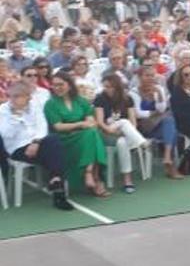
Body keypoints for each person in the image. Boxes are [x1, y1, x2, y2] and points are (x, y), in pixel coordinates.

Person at [0, 81, 73, 210]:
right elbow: (6, 134)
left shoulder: (34, 106)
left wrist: (35, 142)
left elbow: (42, 126)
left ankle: (56, 181)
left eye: (18, 96)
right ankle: (58, 187)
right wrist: (16, 117)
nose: (13, 99)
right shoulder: (3, 110)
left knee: (53, 140)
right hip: (17, 148)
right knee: (54, 150)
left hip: (37, 143)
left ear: (28, 96)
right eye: (12, 96)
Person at [44, 71, 109, 196]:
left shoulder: (79, 100)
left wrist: (89, 121)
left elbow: (90, 116)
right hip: (64, 139)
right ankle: (96, 177)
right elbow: (58, 127)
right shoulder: (50, 104)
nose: (57, 88)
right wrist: (80, 124)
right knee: (92, 135)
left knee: (92, 133)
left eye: (60, 84)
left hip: (83, 136)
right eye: (54, 85)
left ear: (69, 84)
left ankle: (89, 172)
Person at [93, 74, 149, 194]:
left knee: (122, 142)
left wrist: (124, 133)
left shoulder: (127, 99)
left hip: (125, 134)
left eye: (110, 87)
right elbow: (99, 122)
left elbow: (133, 123)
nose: (107, 89)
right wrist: (111, 131)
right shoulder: (100, 98)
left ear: (117, 87)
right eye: (105, 86)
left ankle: (127, 180)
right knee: (123, 121)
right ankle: (142, 143)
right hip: (107, 132)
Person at [130, 63, 183, 180]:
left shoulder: (158, 89)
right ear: (140, 77)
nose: (150, 78)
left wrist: (158, 94)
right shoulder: (134, 93)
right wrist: (154, 113)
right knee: (171, 127)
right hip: (142, 128)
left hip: (158, 125)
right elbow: (138, 113)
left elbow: (162, 108)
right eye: (147, 75)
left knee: (169, 123)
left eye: (152, 75)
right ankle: (170, 163)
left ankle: (167, 156)